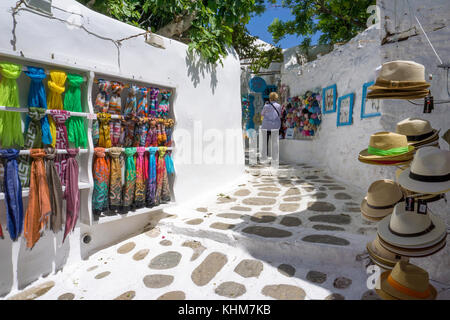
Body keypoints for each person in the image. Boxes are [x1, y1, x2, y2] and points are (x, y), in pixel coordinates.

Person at [261, 92, 281, 157]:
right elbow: (280, 114)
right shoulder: (278, 106)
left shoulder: (266, 105)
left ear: (270, 98)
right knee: (274, 141)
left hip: (266, 126)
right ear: (276, 98)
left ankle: (264, 156)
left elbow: (262, 114)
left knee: (265, 142)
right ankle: (275, 156)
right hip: (275, 125)